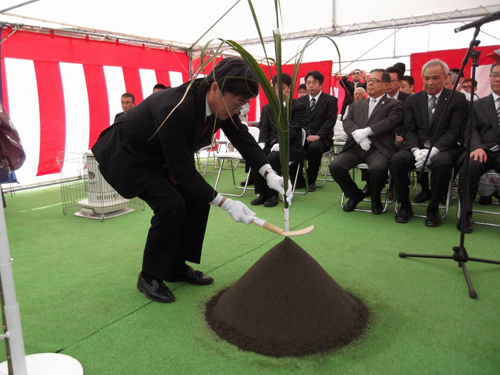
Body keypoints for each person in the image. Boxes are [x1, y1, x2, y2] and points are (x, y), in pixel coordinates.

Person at [91, 57, 289, 303]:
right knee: (171, 205)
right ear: (215, 88)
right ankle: (149, 276)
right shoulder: (174, 107)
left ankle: (175, 266)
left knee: (195, 199)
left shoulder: (221, 105)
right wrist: (226, 203)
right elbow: (183, 173)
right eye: (239, 103)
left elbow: (241, 136)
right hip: (128, 156)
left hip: (158, 156)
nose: (241, 110)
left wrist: (269, 172)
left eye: (245, 104)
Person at [390, 59, 468, 227]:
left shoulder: (457, 99)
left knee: (442, 164)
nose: (430, 82)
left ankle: (433, 208)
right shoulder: (413, 100)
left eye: (435, 78)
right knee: (397, 160)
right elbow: (409, 128)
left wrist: (434, 150)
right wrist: (415, 150)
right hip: (417, 146)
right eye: (426, 78)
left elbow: (454, 131)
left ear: (446, 77)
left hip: (444, 148)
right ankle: (404, 205)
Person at [329, 69, 403, 214]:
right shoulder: (357, 105)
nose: (370, 83)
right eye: (369, 80)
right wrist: (359, 136)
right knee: (335, 166)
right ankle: (355, 194)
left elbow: (390, 122)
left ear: (386, 84)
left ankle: (375, 197)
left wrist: (367, 132)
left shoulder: (394, 104)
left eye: (376, 81)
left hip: (379, 148)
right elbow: (347, 122)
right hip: (356, 147)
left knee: (378, 168)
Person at [251, 73, 307, 207]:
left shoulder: (297, 106)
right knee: (256, 156)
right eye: (276, 88)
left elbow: (294, 130)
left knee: (272, 157)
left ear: (289, 88)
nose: (279, 91)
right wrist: (262, 142)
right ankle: (261, 193)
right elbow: (264, 127)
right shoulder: (268, 107)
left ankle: (273, 194)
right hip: (271, 144)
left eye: (282, 88)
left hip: (290, 146)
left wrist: (281, 144)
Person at [456, 63, 500, 233]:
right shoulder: (478, 104)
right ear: (489, 78)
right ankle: (466, 213)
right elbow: (471, 129)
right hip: (483, 151)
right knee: (469, 165)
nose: (498, 79)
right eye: (494, 75)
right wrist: (477, 147)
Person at [298, 70, 338, 192]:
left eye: (314, 82)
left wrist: (318, 135)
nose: (310, 85)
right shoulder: (300, 101)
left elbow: (330, 121)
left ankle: (311, 180)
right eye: (308, 82)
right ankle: (298, 179)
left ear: (321, 85)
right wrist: (304, 135)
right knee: (294, 146)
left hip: (322, 138)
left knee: (314, 148)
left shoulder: (330, 100)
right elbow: (298, 121)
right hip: (303, 137)